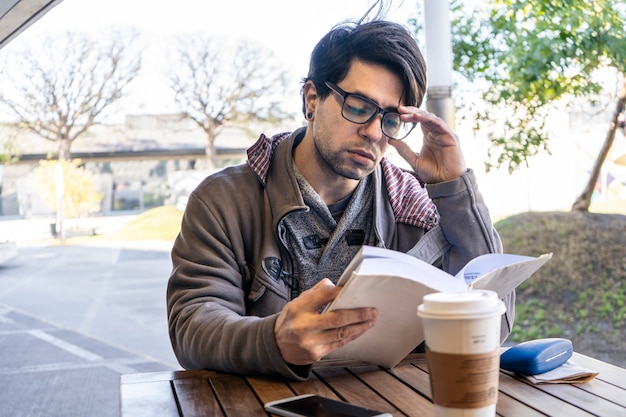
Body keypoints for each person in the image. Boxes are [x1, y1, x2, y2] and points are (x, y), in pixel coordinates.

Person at [167, 3, 515, 381]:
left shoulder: (415, 206)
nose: (373, 131)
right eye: (359, 106)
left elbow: (492, 326)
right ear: (312, 99)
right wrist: (273, 339)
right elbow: (192, 326)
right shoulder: (225, 201)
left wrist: (454, 189)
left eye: (391, 118)